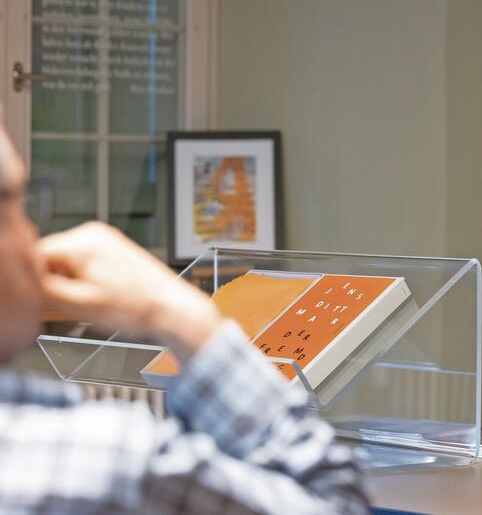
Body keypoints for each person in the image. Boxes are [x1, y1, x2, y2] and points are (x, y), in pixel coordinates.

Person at [0, 125, 368, 513]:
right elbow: (335, 502)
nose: (31, 233)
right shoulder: (116, 464)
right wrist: (183, 315)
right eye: (16, 206)